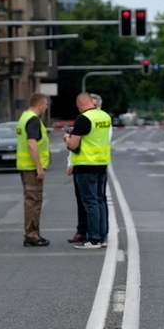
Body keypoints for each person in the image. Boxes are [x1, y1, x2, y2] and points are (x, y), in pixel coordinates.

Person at [64, 92, 112, 249]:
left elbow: (73, 145)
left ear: (80, 104)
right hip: (102, 164)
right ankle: (103, 235)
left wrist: (67, 138)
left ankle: (94, 238)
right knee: (100, 200)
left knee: (90, 202)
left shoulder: (83, 119)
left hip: (85, 165)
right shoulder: (105, 116)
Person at [16, 93, 51, 247]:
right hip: (31, 168)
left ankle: (32, 233)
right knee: (33, 201)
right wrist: (39, 167)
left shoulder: (24, 117)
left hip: (25, 166)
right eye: (45, 104)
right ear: (40, 104)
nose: (46, 107)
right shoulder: (33, 120)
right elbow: (31, 144)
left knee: (32, 200)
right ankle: (32, 235)